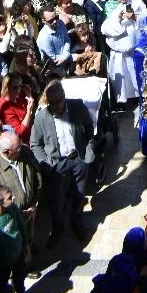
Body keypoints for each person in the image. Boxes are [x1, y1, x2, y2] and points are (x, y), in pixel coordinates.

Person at [29, 80, 95, 242]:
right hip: (56, 164)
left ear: (64, 97)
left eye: (58, 101)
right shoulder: (41, 117)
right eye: (51, 103)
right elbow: (35, 144)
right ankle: (58, 227)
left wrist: (88, 151)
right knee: (57, 198)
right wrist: (45, 163)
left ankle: (77, 221)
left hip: (77, 158)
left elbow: (88, 127)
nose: (55, 106)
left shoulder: (77, 107)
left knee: (79, 193)